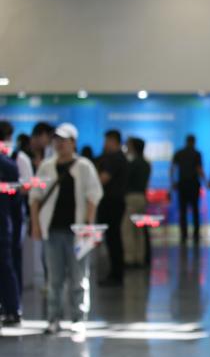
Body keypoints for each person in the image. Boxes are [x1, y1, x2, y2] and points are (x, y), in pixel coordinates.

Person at [29, 123, 103, 334]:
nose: (59, 144)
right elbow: (35, 197)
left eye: (64, 140)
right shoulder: (46, 166)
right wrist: (35, 225)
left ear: (73, 142)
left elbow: (93, 196)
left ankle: (78, 318)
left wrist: (88, 225)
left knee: (79, 276)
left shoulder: (84, 166)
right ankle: (54, 318)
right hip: (52, 229)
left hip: (77, 232)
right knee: (54, 278)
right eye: (56, 140)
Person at [1, 120, 33, 308]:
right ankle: (12, 305)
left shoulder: (14, 160)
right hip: (8, 217)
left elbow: (24, 188)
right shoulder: (13, 161)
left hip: (9, 217)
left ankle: (13, 304)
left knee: (10, 260)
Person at [96, 130, 129, 287]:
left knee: (113, 239)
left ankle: (116, 274)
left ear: (113, 141)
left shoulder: (115, 158)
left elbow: (104, 179)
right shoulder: (120, 157)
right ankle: (116, 273)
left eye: (106, 141)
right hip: (116, 202)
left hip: (112, 203)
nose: (104, 144)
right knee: (114, 238)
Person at [122, 137, 152, 269]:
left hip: (132, 197)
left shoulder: (133, 163)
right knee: (139, 230)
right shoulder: (146, 163)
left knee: (127, 228)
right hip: (142, 197)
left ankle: (129, 258)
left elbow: (126, 180)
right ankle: (140, 257)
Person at [172, 134, 206, 245]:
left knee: (183, 211)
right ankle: (196, 235)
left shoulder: (179, 153)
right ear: (194, 142)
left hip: (182, 185)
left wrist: (173, 182)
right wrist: (206, 181)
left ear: (186, 141)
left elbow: (172, 168)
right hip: (193, 185)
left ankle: (184, 235)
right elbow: (199, 169)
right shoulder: (197, 153)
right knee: (195, 210)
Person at [0, 148, 20, 326]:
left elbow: (15, 199)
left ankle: (12, 308)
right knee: (6, 267)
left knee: (6, 267)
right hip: (5, 223)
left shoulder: (7, 166)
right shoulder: (9, 165)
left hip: (3, 224)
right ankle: (12, 309)